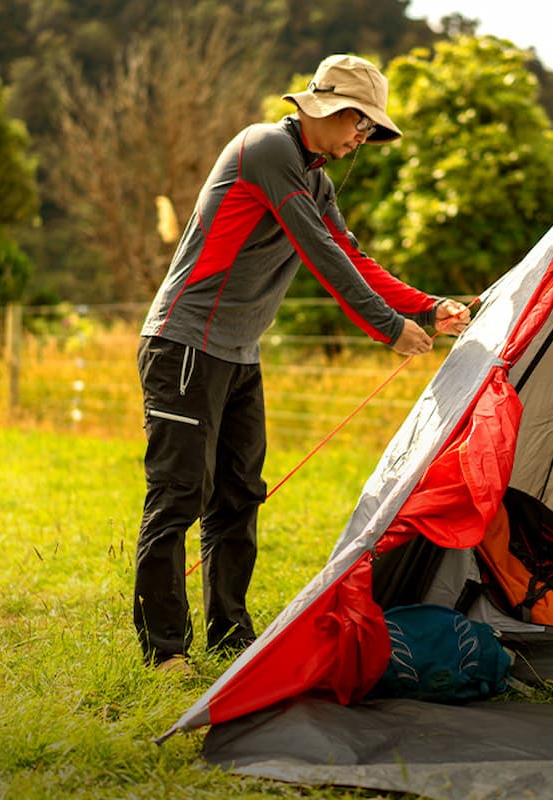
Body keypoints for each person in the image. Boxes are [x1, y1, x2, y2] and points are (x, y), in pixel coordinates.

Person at [133, 54, 470, 673]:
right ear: (328, 110)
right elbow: (320, 255)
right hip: (183, 345)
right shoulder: (265, 149)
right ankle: (163, 651)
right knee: (179, 495)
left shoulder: (315, 179)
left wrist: (427, 308)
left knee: (239, 498)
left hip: (238, 353)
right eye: (359, 125)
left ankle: (230, 635)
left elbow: (352, 254)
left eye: (369, 130)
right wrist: (387, 329)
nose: (361, 139)